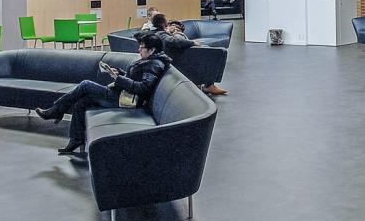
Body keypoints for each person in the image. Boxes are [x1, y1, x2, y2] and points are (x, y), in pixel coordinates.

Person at [35, 32, 171, 155]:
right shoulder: (150, 60)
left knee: (85, 85)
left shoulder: (154, 64)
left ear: (152, 50)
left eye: (142, 47)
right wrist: (120, 73)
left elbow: (143, 88)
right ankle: (75, 139)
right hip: (121, 94)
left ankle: (56, 111)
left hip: (124, 100)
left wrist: (119, 79)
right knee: (81, 102)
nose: (139, 49)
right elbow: (136, 78)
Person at [160, 20, 227, 96]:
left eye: (176, 27)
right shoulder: (176, 35)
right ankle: (209, 85)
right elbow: (178, 41)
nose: (174, 28)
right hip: (183, 58)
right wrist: (193, 42)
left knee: (220, 51)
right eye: (173, 26)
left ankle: (209, 85)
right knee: (221, 52)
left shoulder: (176, 34)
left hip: (185, 56)